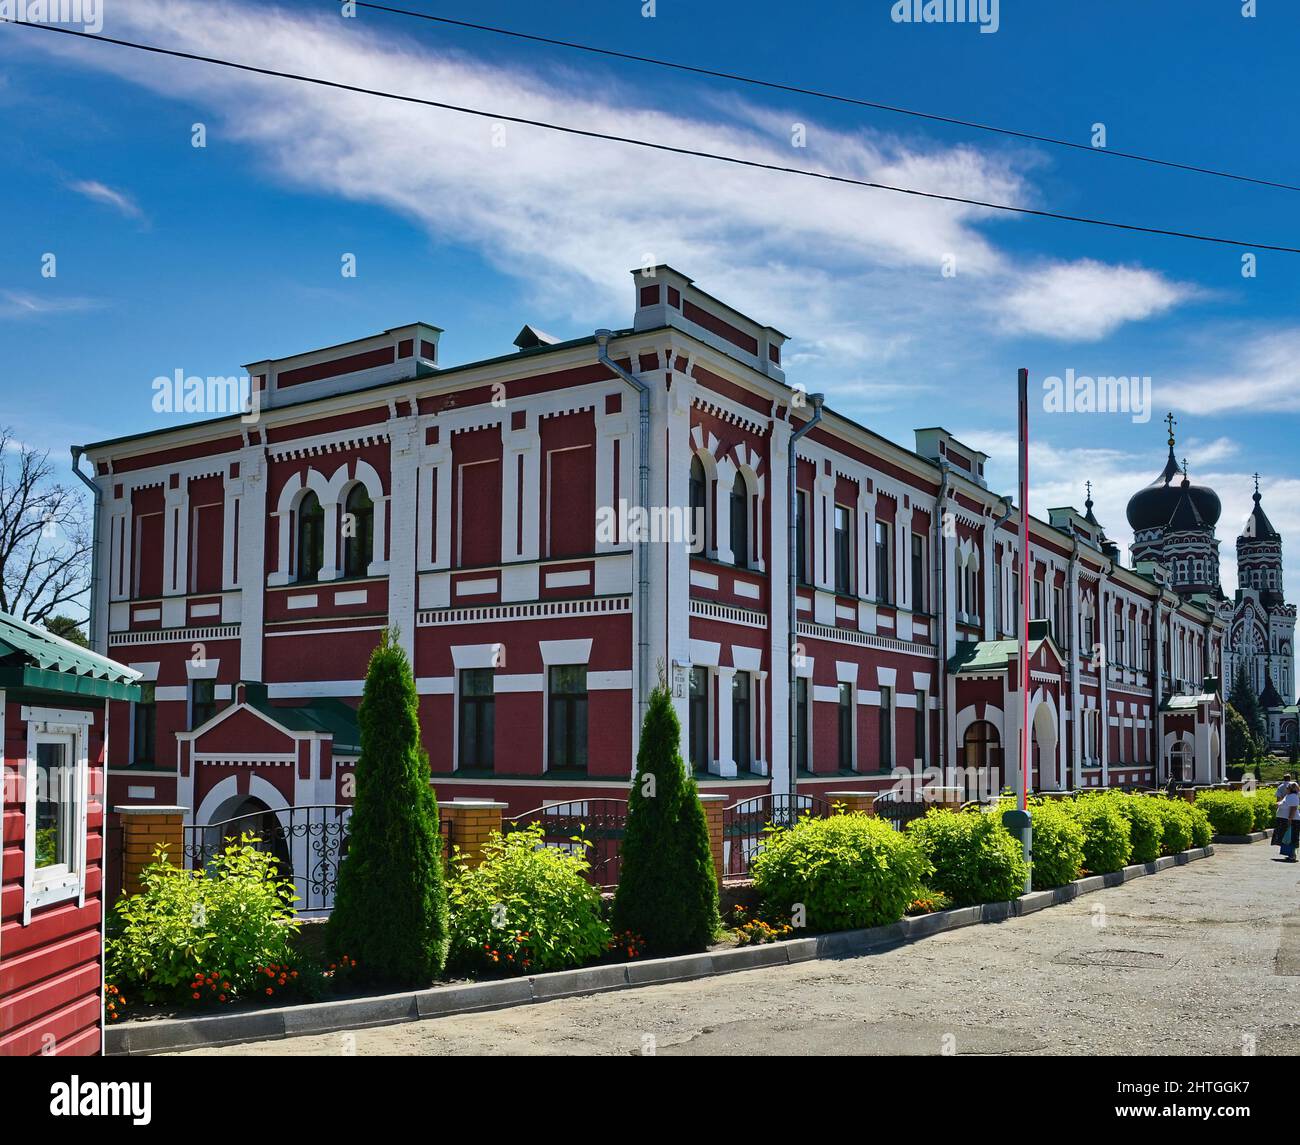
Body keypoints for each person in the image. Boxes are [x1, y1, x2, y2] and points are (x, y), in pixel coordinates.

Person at [1274, 781, 1300, 863]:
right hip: (1287, 819)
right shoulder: (1289, 796)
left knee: (1291, 838)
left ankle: (1292, 855)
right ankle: (1290, 854)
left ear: (1290, 789)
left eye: (1287, 788)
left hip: (1291, 820)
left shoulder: (1293, 796)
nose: (1286, 789)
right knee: (1288, 838)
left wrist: (1289, 820)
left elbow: (1293, 808)